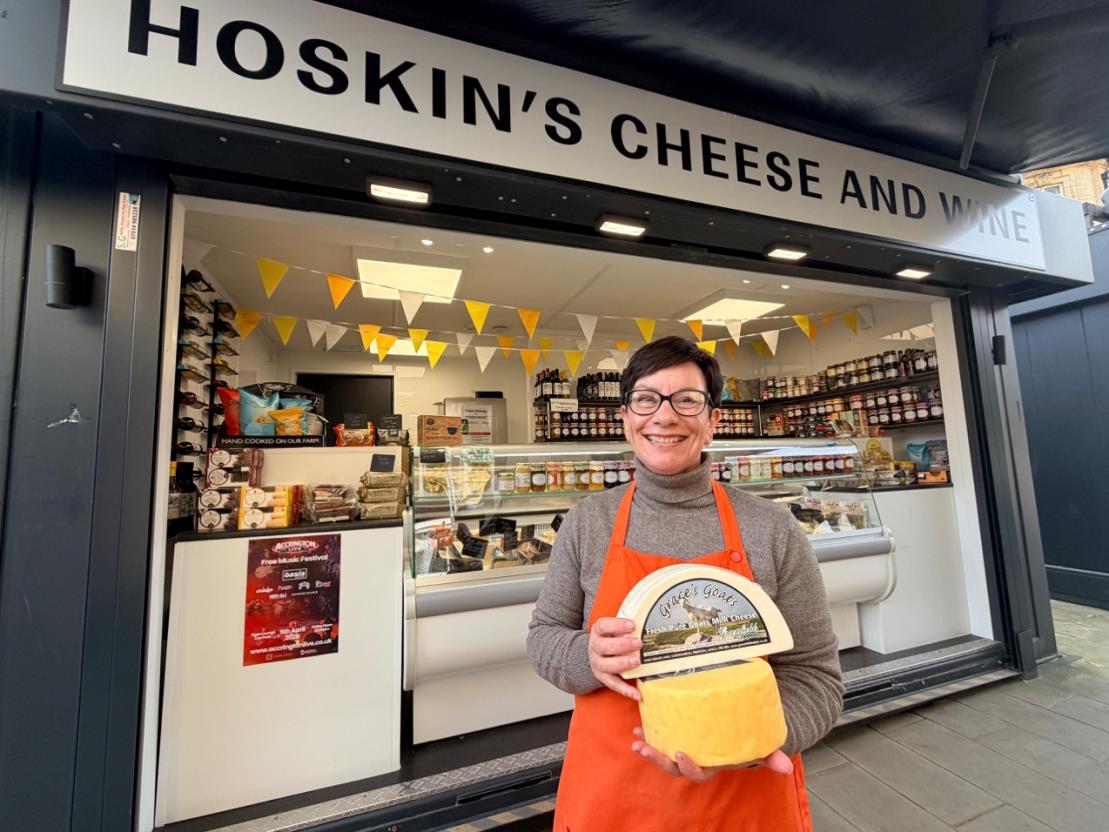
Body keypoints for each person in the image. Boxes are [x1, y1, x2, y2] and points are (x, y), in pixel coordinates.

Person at [527, 336, 843, 831]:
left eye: (687, 400)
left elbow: (816, 676)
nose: (665, 416)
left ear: (714, 419)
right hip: (613, 798)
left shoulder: (772, 529)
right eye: (646, 398)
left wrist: (758, 743)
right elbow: (544, 635)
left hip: (743, 797)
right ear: (626, 417)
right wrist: (585, 655)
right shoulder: (588, 523)